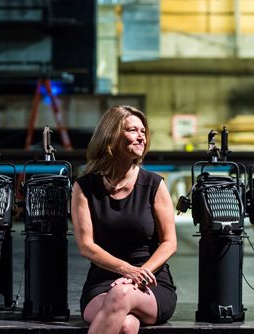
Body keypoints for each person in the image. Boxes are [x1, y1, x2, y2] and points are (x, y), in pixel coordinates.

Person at [71, 105, 177, 334]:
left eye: (143, 131)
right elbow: (86, 246)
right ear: (111, 137)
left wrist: (138, 275)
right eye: (132, 130)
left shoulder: (154, 185)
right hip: (102, 283)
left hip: (151, 282)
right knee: (127, 325)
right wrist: (125, 270)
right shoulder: (84, 187)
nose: (141, 137)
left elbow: (170, 242)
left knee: (121, 294)